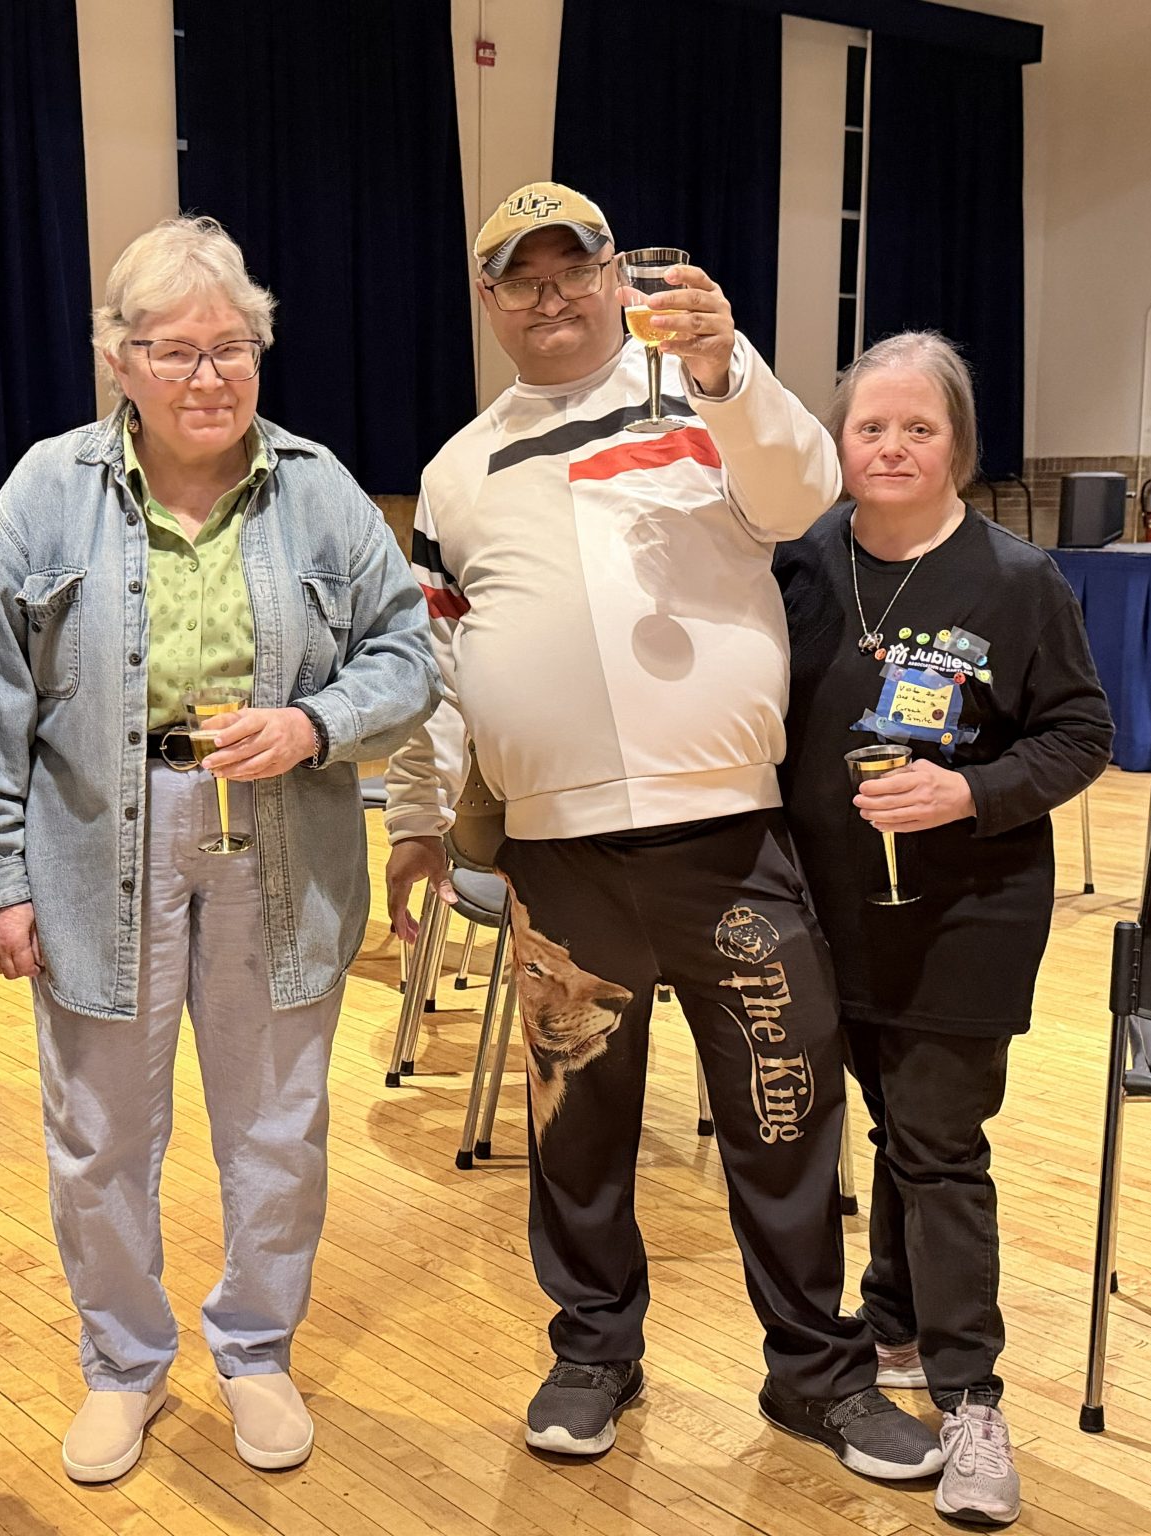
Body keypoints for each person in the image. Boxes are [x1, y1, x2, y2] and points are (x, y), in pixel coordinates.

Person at [384, 182, 941, 1480]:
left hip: (730, 837)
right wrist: (431, 823)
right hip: (558, 861)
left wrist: (725, 362)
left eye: (572, 267)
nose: (551, 296)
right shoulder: (456, 471)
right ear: (490, 301)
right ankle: (592, 1352)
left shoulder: (702, 392)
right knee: (576, 1120)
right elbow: (441, 657)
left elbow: (804, 495)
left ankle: (817, 1372)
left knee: (785, 1111)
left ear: (611, 270)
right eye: (519, 279)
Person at [0, 215, 439, 1484]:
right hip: (97, 843)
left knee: (274, 1125)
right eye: (175, 350)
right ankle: (122, 1365)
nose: (207, 375)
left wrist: (314, 721)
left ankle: (256, 1352)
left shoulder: (319, 489)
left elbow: (408, 657)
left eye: (233, 348)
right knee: (101, 1130)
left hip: (280, 837)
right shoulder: (45, 491)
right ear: (118, 360)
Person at [774, 331, 1114, 1526]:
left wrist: (966, 790)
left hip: (964, 915)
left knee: (934, 1144)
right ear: (837, 440)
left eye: (919, 428)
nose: (892, 445)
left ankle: (970, 1401)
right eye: (871, 425)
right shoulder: (798, 563)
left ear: (957, 448)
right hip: (816, 912)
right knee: (880, 1133)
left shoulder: (1017, 580)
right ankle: (894, 1325)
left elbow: (1079, 735)